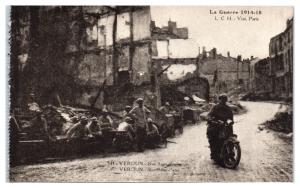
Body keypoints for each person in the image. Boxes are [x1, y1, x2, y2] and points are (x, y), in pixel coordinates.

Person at [206, 94, 233, 159]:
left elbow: (231, 118)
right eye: (222, 99)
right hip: (216, 124)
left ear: (226, 100)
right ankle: (213, 153)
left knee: (231, 136)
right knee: (212, 137)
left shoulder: (228, 108)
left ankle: (230, 152)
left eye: (225, 99)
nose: (223, 101)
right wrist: (211, 120)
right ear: (219, 99)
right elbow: (209, 115)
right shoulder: (215, 107)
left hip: (225, 125)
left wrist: (230, 122)